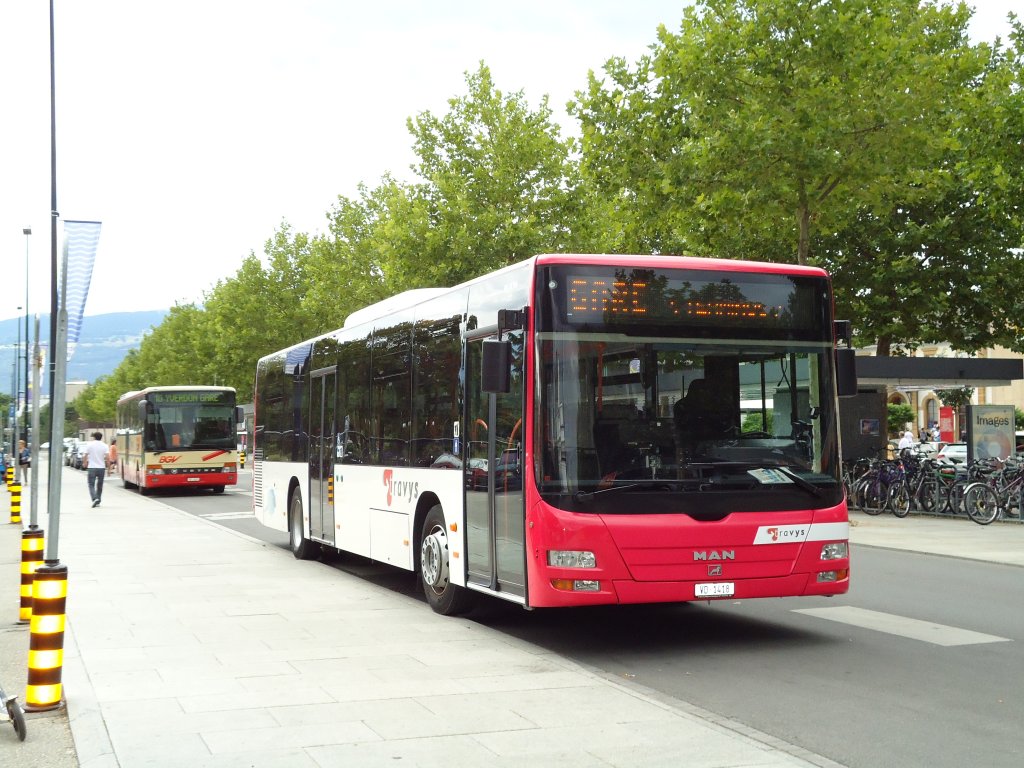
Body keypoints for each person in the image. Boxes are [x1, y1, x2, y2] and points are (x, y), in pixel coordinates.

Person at [84, 431, 110, 508]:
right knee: (100, 485)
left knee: (91, 484)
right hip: (101, 468)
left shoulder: (89, 445)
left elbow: (85, 455)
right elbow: (108, 458)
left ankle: (94, 498)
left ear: (94, 437)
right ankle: (98, 499)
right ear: (101, 437)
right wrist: (108, 468)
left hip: (92, 467)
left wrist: (85, 463)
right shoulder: (105, 446)